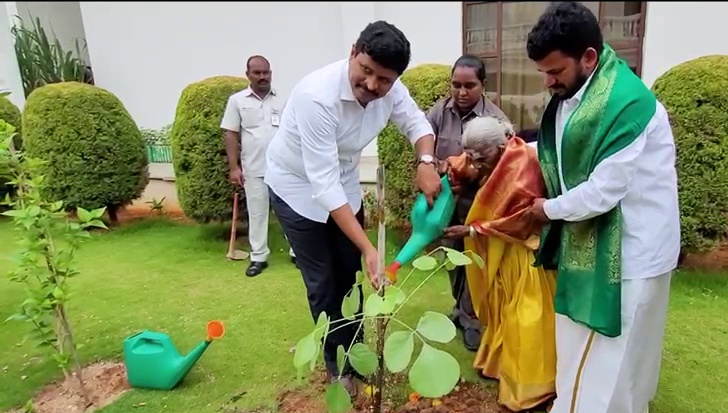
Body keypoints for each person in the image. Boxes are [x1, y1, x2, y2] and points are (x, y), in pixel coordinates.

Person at [264, 21, 442, 395]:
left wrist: (426, 161)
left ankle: (357, 354)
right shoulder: (317, 97)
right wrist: (369, 247)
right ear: (353, 52)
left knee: (350, 277)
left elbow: (418, 125)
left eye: (385, 80)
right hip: (296, 189)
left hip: (342, 182)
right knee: (324, 282)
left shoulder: (391, 90)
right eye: (366, 72)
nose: (374, 86)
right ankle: (337, 365)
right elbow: (322, 186)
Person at [524, 3, 681, 413]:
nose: (547, 82)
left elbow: (601, 193)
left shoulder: (625, 103)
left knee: (602, 366)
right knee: (606, 362)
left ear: (588, 57)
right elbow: (559, 151)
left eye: (555, 72)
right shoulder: (580, 92)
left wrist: (546, 210)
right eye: (543, 72)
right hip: (599, 242)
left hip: (628, 254)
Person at [440, 116, 557, 411]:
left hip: (525, 252)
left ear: (502, 145)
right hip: (499, 251)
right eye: (472, 157)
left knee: (526, 316)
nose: (477, 164)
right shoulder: (483, 154)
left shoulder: (526, 164)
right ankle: (499, 364)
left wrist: (472, 230)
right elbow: (461, 165)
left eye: (482, 158)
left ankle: (532, 386)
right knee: (504, 309)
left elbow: (524, 218)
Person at [427, 55, 510, 352]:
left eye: (469, 86)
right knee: (451, 259)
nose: (461, 92)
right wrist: (437, 167)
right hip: (447, 202)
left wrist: (472, 173)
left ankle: (471, 318)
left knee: (475, 261)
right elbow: (425, 149)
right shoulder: (439, 111)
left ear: (483, 86)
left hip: (479, 204)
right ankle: (459, 308)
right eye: (456, 85)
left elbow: (501, 168)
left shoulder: (496, 120)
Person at [221, 55, 297, 277]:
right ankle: (259, 257)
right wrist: (234, 167)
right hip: (254, 169)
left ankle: (297, 252)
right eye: (257, 73)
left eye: (266, 72)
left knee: (290, 213)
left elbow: (293, 132)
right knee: (257, 214)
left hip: (283, 169)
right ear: (248, 75)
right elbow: (231, 133)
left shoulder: (283, 101)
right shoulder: (237, 101)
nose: (263, 77)